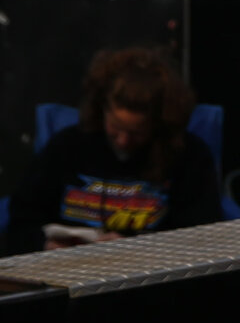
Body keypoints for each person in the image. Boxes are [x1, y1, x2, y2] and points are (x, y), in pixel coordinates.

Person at [4, 47, 223, 254]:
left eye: (137, 132)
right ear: (102, 110)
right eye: (115, 128)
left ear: (158, 123)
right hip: (65, 270)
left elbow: (200, 236)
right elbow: (22, 219)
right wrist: (45, 245)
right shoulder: (67, 146)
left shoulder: (186, 154)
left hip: (149, 277)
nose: (123, 141)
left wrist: (135, 249)